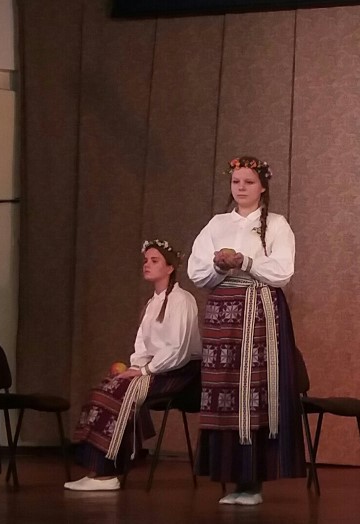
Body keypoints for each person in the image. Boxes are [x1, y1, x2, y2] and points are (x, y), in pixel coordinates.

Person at [187, 156, 306, 506]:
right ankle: (231, 477)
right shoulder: (217, 223)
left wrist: (246, 261)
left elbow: (282, 272)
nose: (241, 188)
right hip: (223, 314)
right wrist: (218, 264)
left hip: (259, 312)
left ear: (262, 187)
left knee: (253, 391)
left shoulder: (277, 224)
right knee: (223, 389)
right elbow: (196, 271)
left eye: (249, 182)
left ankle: (253, 482)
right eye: (236, 182)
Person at [65, 239, 202, 491]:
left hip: (179, 373)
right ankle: (97, 469)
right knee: (103, 390)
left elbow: (178, 350)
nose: (147, 265)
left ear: (170, 267)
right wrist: (135, 367)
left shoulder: (182, 300)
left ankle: (107, 474)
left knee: (119, 394)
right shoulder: (152, 303)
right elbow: (142, 345)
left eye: (154, 260)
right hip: (155, 368)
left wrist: (145, 371)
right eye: (146, 260)